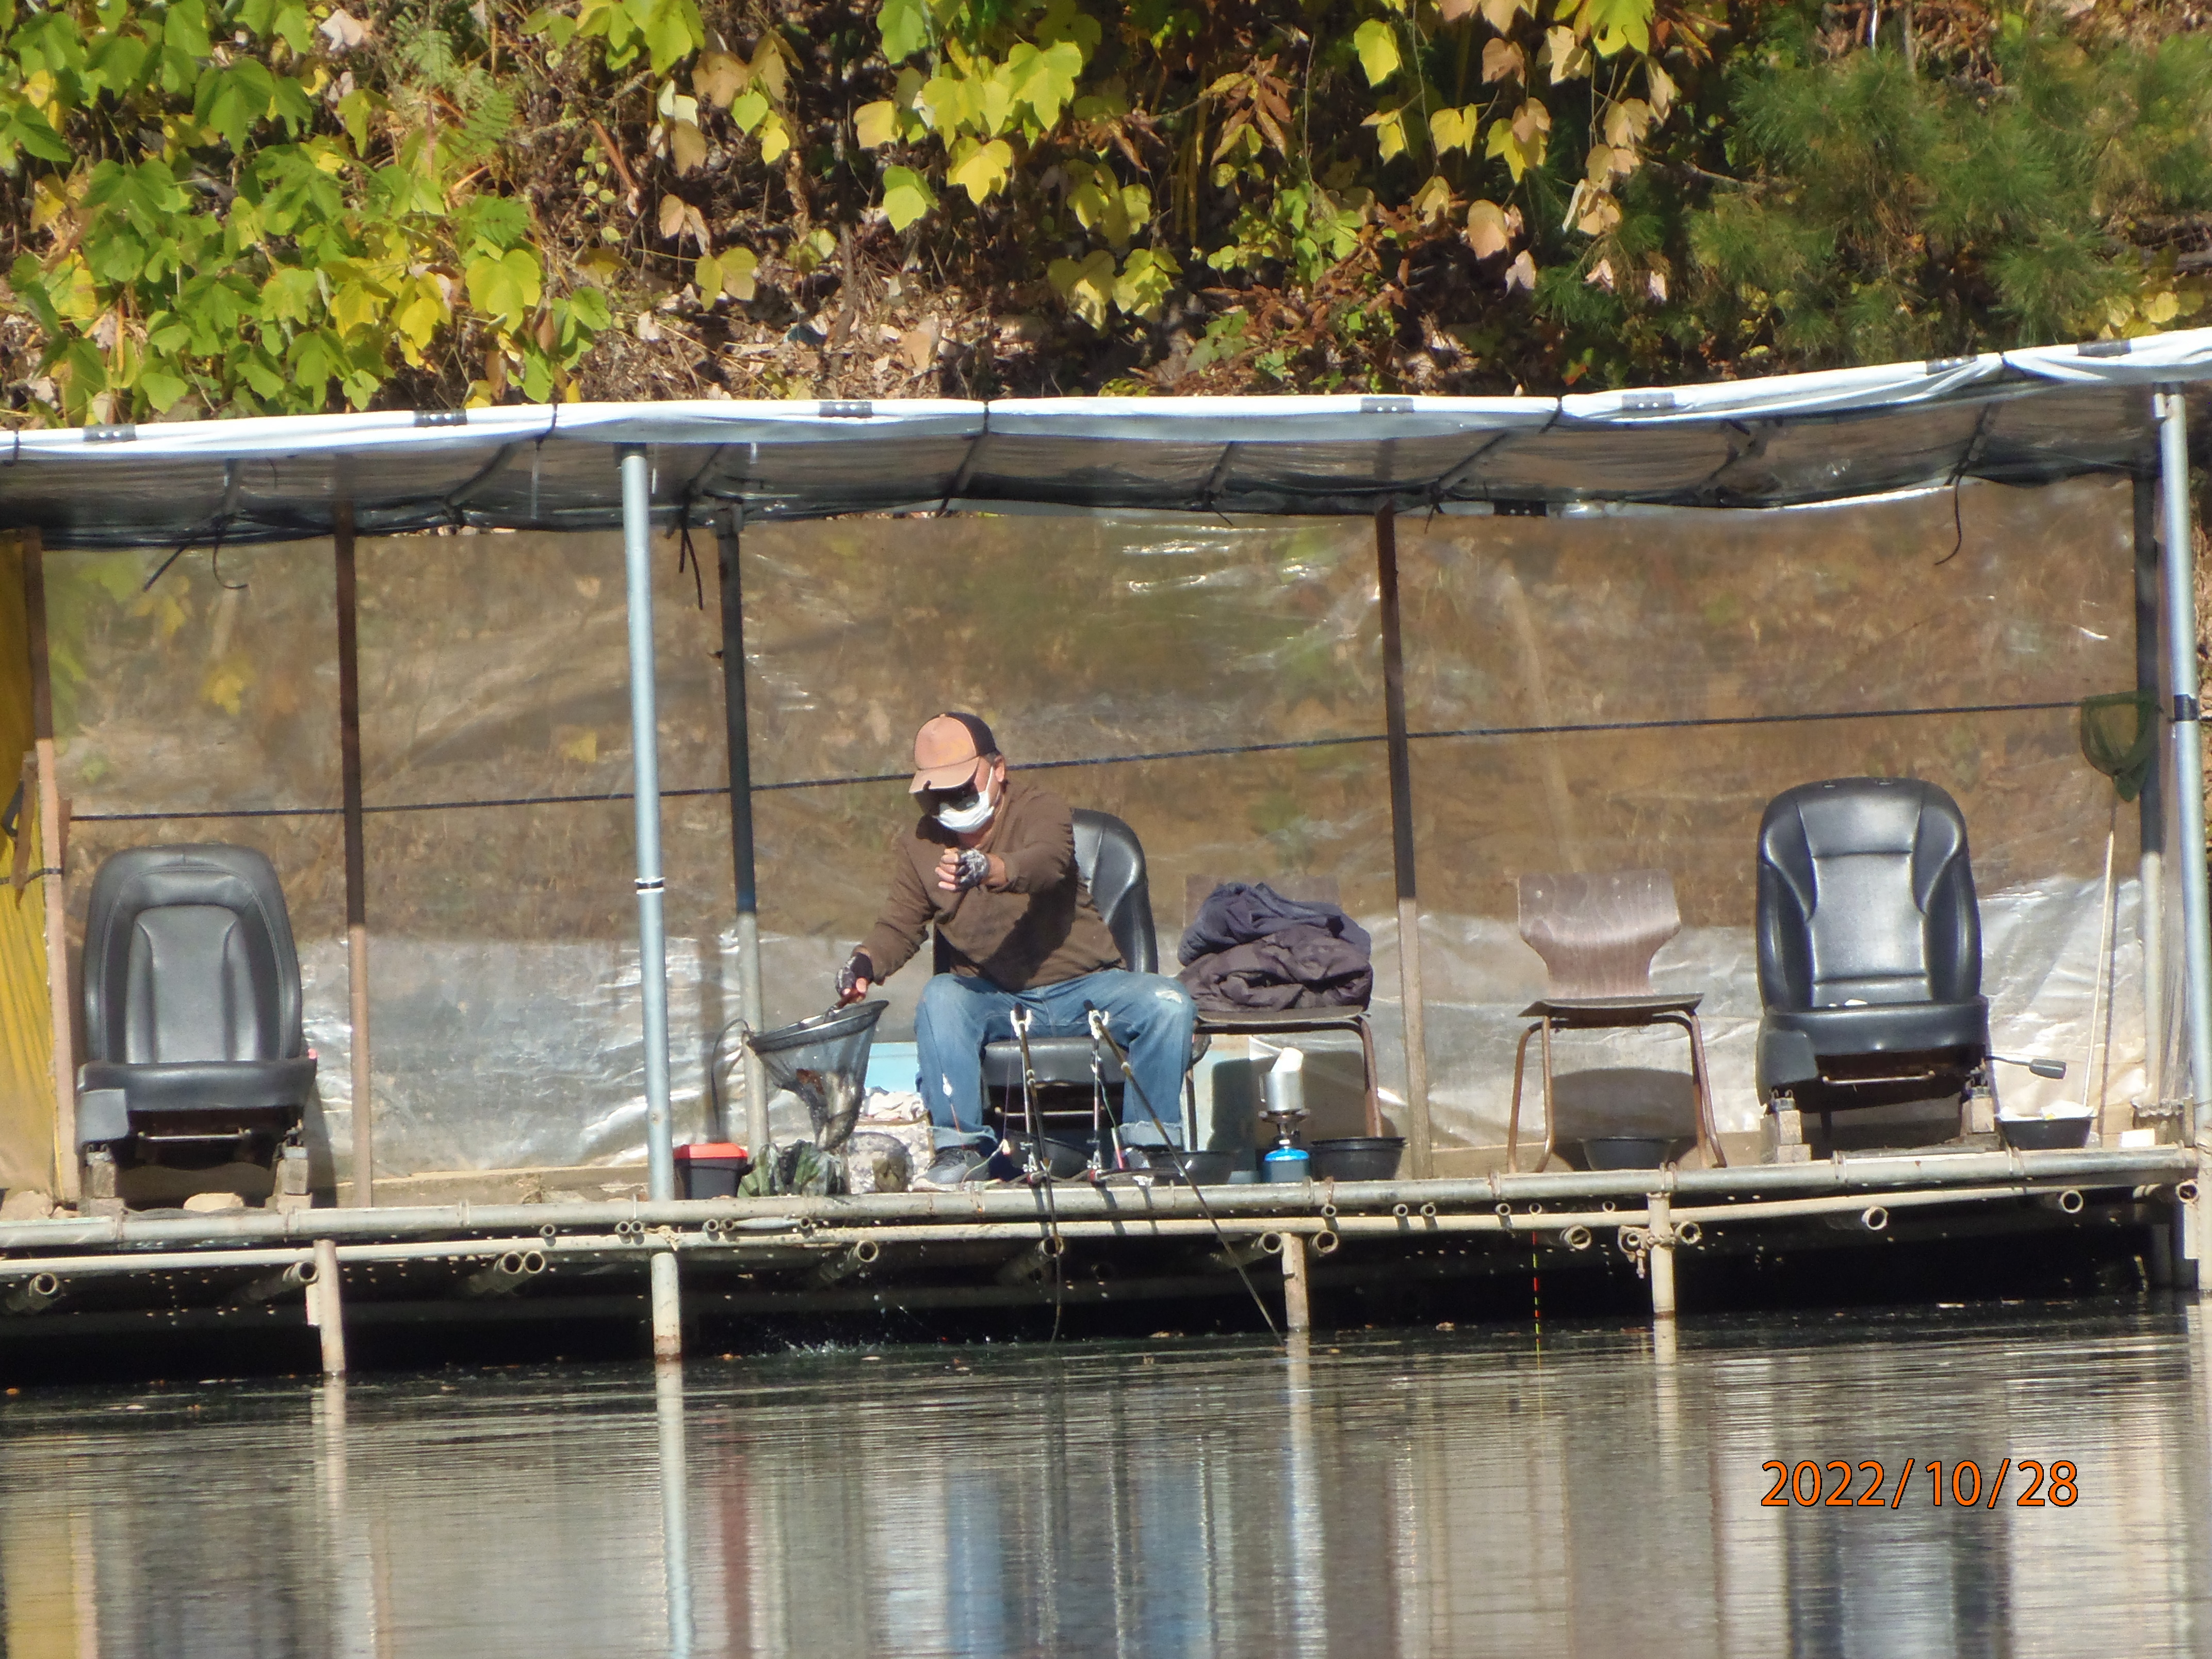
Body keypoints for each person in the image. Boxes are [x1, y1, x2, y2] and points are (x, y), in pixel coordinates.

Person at [834, 711, 1197, 1185]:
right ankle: (961, 1151)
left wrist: (989, 869)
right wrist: (864, 963)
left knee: (1167, 1004)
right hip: (994, 997)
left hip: (1087, 989)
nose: (950, 803)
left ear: (998, 769)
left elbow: (1047, 862)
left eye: (961, 788)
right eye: (936, 793)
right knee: (940, 997)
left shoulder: (1040, 807)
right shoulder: (920, 843)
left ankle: (1149, 1148)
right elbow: (899, 924)